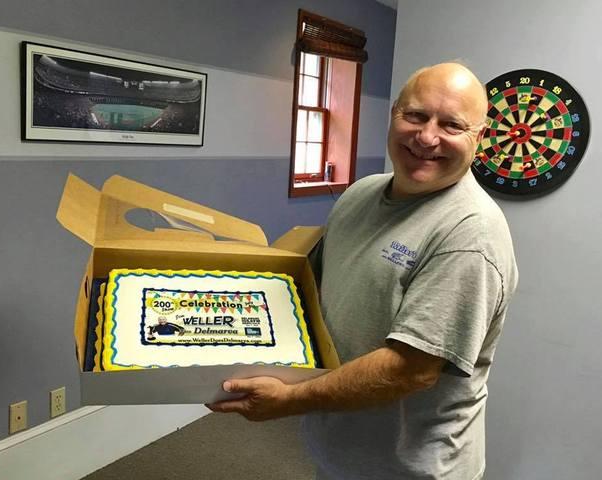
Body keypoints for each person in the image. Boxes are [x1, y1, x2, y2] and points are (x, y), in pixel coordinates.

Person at [208, 62, 518, 480]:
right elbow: (306, 291)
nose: (427, 137)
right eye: (416, 115)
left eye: (451, 125)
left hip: (411, 470)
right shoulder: (360, 193)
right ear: (394, 114)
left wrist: (290, 398)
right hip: (340, 450)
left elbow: (410, 369)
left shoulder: (470, 233)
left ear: (478, 138)